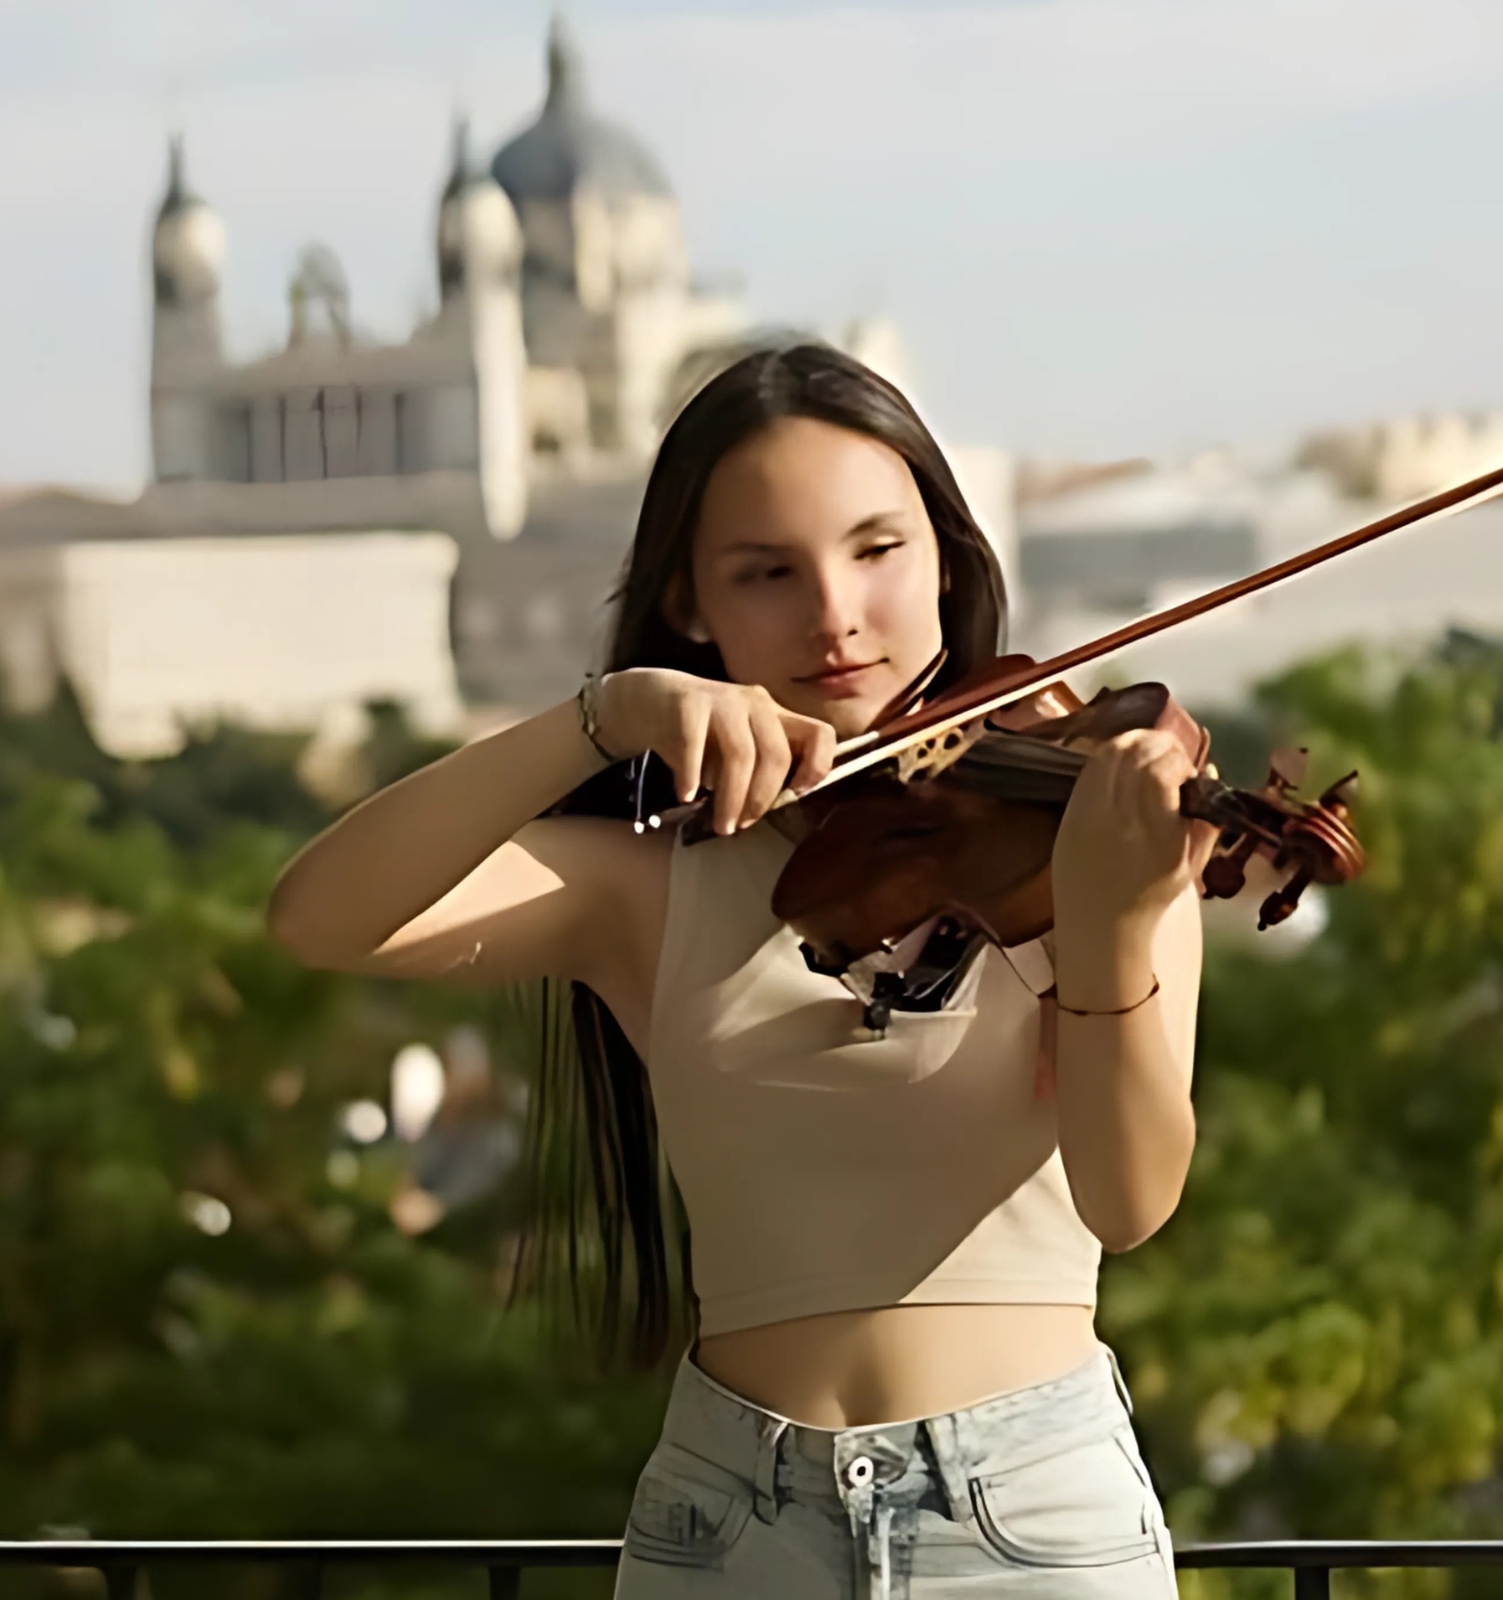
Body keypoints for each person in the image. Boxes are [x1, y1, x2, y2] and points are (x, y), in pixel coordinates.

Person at [269, 344, 1214, 1597]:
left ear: (946, 555)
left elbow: (1129, 1198)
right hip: (728, 1526)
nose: (834, 611)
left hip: (1026, 1520)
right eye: (767, 572)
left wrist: (1105, 929)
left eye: (877, 550)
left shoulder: (1095, 822)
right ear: (689, 607)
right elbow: (316, 916)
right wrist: (597, 718)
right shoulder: (646, 885)